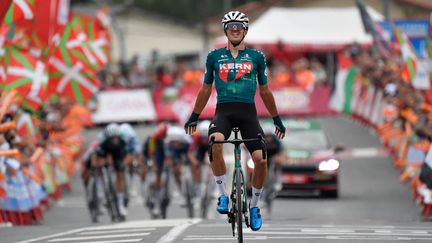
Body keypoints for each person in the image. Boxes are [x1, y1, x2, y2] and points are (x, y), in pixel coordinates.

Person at [184, 10, 286, 231]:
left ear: (245, 30)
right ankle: (222, 195)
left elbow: (266, 91)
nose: (235, 30)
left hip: (248, 113)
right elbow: (204, 89)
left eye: (239, 27)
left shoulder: (257, 57)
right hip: (224, 112)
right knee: (215, 141)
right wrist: (194, 116)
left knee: (260, 160)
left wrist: (276, 119)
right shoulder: (214, 56)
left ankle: (255, 206)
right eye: (231, 27)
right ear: (225, 30)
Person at [95, 123, 129, 220]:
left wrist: (122, 164)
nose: (115, 140)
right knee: (99, 168)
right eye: (112, 138)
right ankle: (101, 194)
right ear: (108, 138)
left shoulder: (122, 142)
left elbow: (126, 156)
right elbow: (97, 157)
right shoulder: (103, 142)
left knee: (120, 173)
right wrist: (101, 163)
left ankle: (120, 203)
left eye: (116, 138)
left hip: (117, 154)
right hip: (105, 153)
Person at [187, 120, 211, 201]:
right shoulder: (196, 136)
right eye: (203, 137)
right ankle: (198, 187)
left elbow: (218, 152)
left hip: (211, 146)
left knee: (213, 163)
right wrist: (195, 162)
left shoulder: (213, 136)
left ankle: (215, 188)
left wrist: (208, 159)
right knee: (195, 165)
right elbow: (190, 153)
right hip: (200, 148)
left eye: (206, 137)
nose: (204, 139)